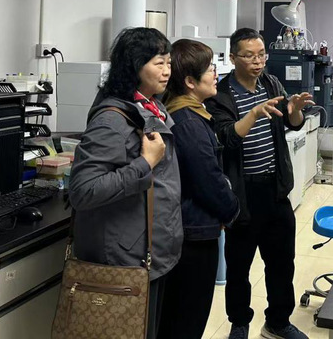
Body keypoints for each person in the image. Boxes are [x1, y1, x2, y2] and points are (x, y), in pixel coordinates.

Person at [69, 27, 182, 339]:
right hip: (125, 259)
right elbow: (83, 191)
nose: (167, 71)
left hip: (151, 250)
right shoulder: (111, 120)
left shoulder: (151, 105)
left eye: (169, 63)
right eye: (159, 63)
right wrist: (145, 163)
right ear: (135, 66)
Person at [207, 28, 314, 339]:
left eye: (262, 55)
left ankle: (278, 322)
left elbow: (291, 122)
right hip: (242, 192)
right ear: (233, 58)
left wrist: (295, 112)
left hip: (275, 188)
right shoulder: (221, 94)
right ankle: (239, 322)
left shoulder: (271, 83)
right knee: (239, 267)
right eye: (249, 56)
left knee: (281, 263)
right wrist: (254, 113)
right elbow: (226, 137)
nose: (258, 62)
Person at [157, 39, 240, 339]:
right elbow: (208, 181)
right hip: (193, 236)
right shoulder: (188, 122)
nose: (216, 73)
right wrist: (232, 209)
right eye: (209, 68)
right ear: (190, 82)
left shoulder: (189, 112)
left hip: (190, 230)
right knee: (187, 320)